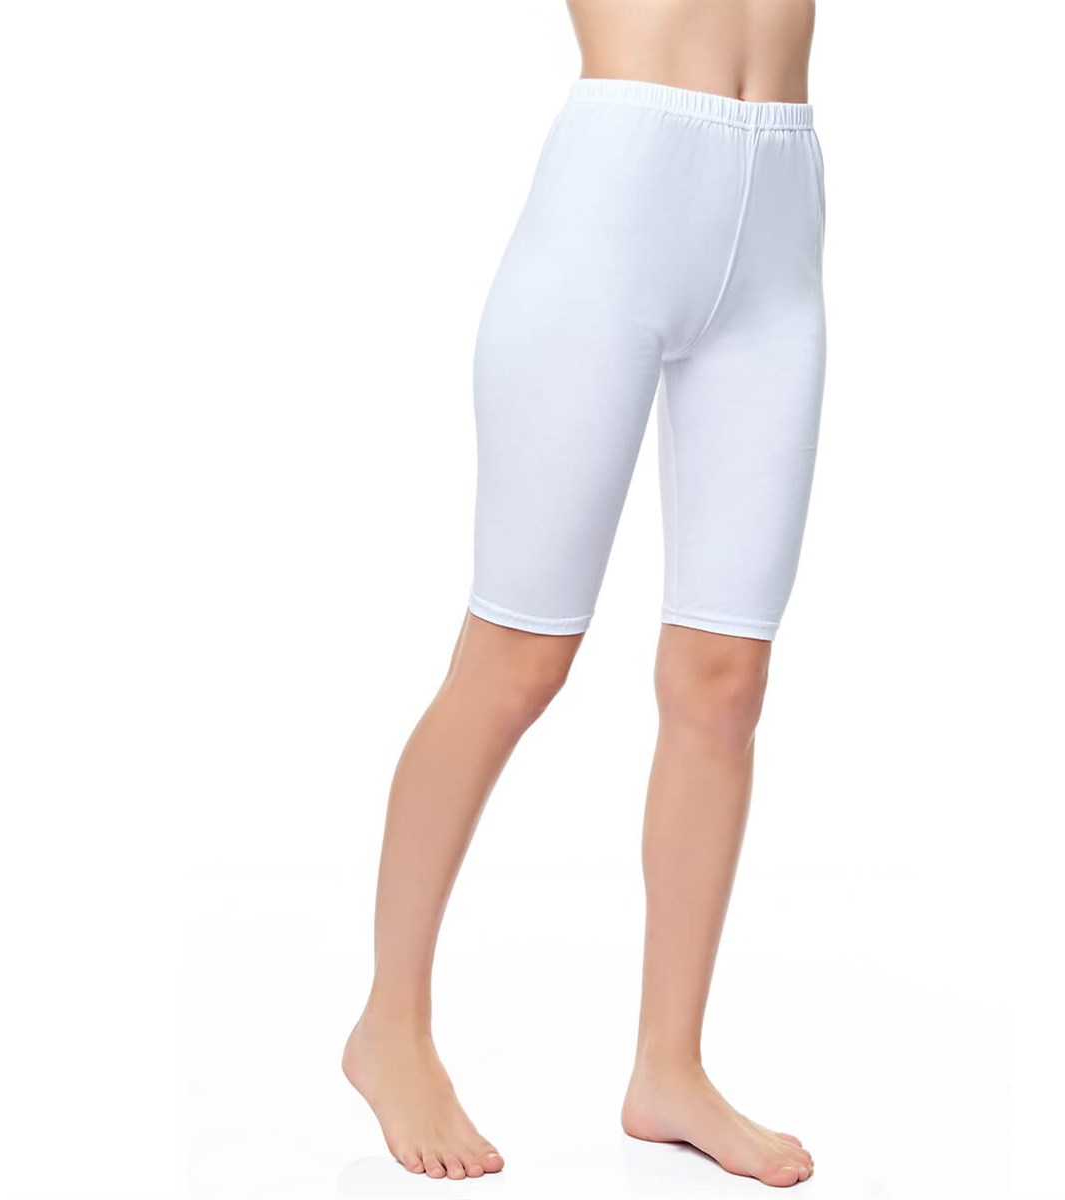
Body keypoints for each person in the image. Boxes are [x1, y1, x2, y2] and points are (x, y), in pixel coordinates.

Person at [343, 0, 824, 1186]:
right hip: (617, 197)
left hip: (780, 209)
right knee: (516, 659)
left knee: (725, 679)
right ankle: (389, 1026)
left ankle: (670, 1068)